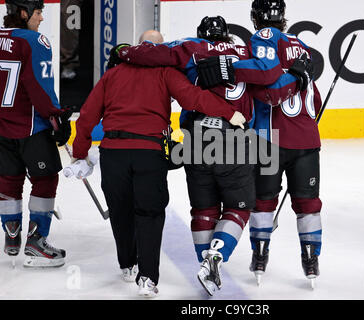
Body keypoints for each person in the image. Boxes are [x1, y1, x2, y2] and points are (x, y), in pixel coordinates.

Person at [64, 29, 246, 298]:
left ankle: (127, 264)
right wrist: (230, 113)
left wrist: (80, 153)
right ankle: (147, 278)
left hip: (114, 152)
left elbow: (87, 116)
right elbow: (194, 98)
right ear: (160, 50)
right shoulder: (166, 72)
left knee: (120, 211)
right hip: (149, 153)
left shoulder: (112, 75)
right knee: (149, 214)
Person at [197, 0, 322, 286]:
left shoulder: (266, 36)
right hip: (307, 138)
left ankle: (260, 254)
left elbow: (268, 86)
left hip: (270, 140)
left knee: (264, 202)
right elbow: (313, 99)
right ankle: (311, 260)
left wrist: (229, 67)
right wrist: (297, 81)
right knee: (309, 203)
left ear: (256, 18)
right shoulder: (301, 47)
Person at [0, 0, 71, 268]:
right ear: (23, 13)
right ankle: (36, 239)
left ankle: (12, 233)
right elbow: (39, 85)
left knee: (8, 178)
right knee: (45, 178)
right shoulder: (34, 40)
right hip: (31, 127)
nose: (41, 18)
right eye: (38, 12)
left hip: (1, 128)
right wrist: (56, 115)